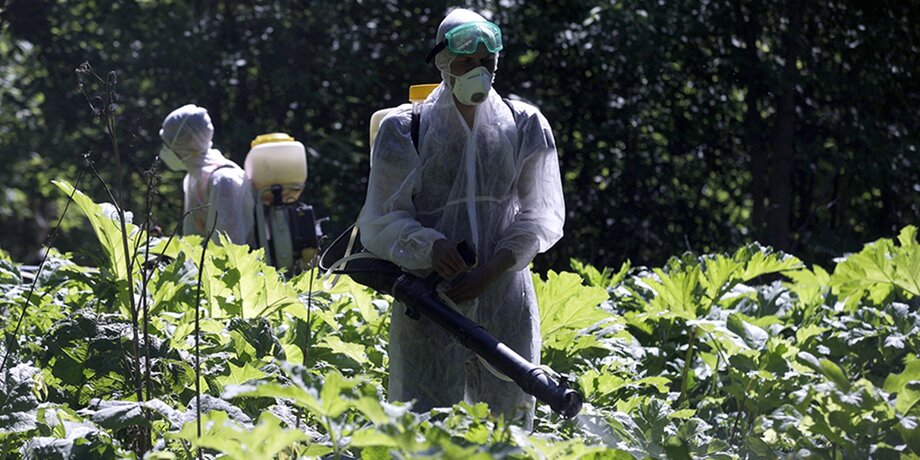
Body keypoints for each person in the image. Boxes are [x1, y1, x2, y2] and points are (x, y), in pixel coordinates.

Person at [358, 8, 565, 428]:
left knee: (507, 432)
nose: (477, 71)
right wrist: (431, 248)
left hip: (504, 299)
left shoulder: (525, 126)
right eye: (465, 61)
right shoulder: (405, 128)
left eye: (486, 61)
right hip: (430, 301)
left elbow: (541, 214)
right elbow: (381, 219)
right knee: (426, 430)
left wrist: (493, 268)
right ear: (443, 62)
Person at [158, 104, 254, 245]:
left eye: (169, 143)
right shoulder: (192, 179)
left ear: (190, 141)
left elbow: (227, 247)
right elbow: (193, 241)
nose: (164, 150)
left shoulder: (223, 180)